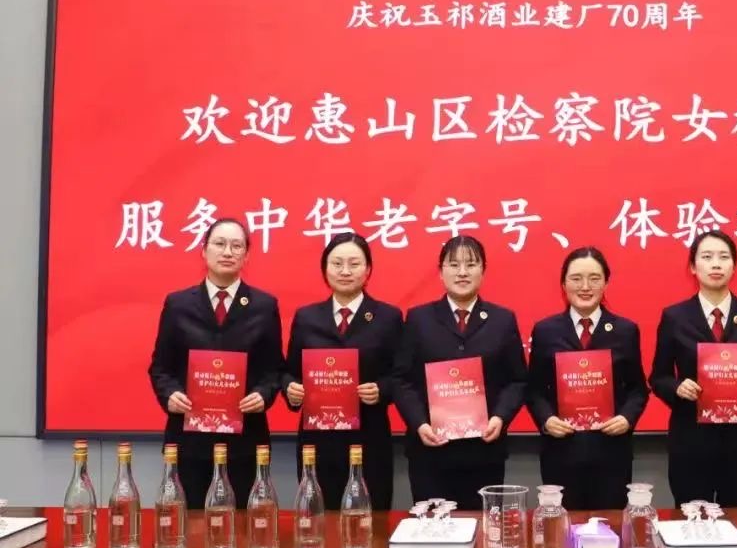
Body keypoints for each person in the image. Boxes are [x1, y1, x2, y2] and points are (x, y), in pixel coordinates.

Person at [148, 218, 283, 508]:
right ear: (204, 250)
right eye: (219, 244)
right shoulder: (178, 304)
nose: (227, 252)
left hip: (245, 441)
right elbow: (160, 367)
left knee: (244, 524)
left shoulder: (264, 306)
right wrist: (170, 394)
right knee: (190, 523)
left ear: (246, 255)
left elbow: (274, 369)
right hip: (189, 441)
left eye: (236, 246)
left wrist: (263, 394)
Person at [392, 235, 528, 509]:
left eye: (471, 264)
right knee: (433, 528)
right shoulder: (419, 318)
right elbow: (401, 379)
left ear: (483, 270)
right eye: (454, 265)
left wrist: (500, 417)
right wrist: (419, 423)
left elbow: (517, 380)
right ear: (441, 272)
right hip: (430, 452)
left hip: (484, 452)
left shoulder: (502, 320)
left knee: (483, 528)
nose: (462, 272)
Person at [649, 230, 737, 507]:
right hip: (691, 442)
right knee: (692, 521)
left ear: (734, 266)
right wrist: (677, 388)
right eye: (707, 257)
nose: (716, 264)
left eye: (723, 257)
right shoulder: (675, 317)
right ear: (693, 267)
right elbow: (658, 377)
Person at [281, 232, 402, 511]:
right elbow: (289, 372)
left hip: (369, 440)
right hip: (317, 443)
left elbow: (402, 376)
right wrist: (291, 389)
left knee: (370, 521)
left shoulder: (388, 317)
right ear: (325, 269)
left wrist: (381, 390)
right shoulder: (307, 317)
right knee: (317, 520)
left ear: (368, 269)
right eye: (337, 263)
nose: (345, 271)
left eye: (354, 263)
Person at [526, 247, 649, 510]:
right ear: (563, 284)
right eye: (576, 278)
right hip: (561, 452)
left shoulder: (625, 330)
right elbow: (534, 389)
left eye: (594, 278)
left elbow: (638, 389)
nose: (585, 286)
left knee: (609, 526)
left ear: (606, 283)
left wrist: (627, 418)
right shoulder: (546, 330)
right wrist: (546, 420)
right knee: (562, 526)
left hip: (611, 452)